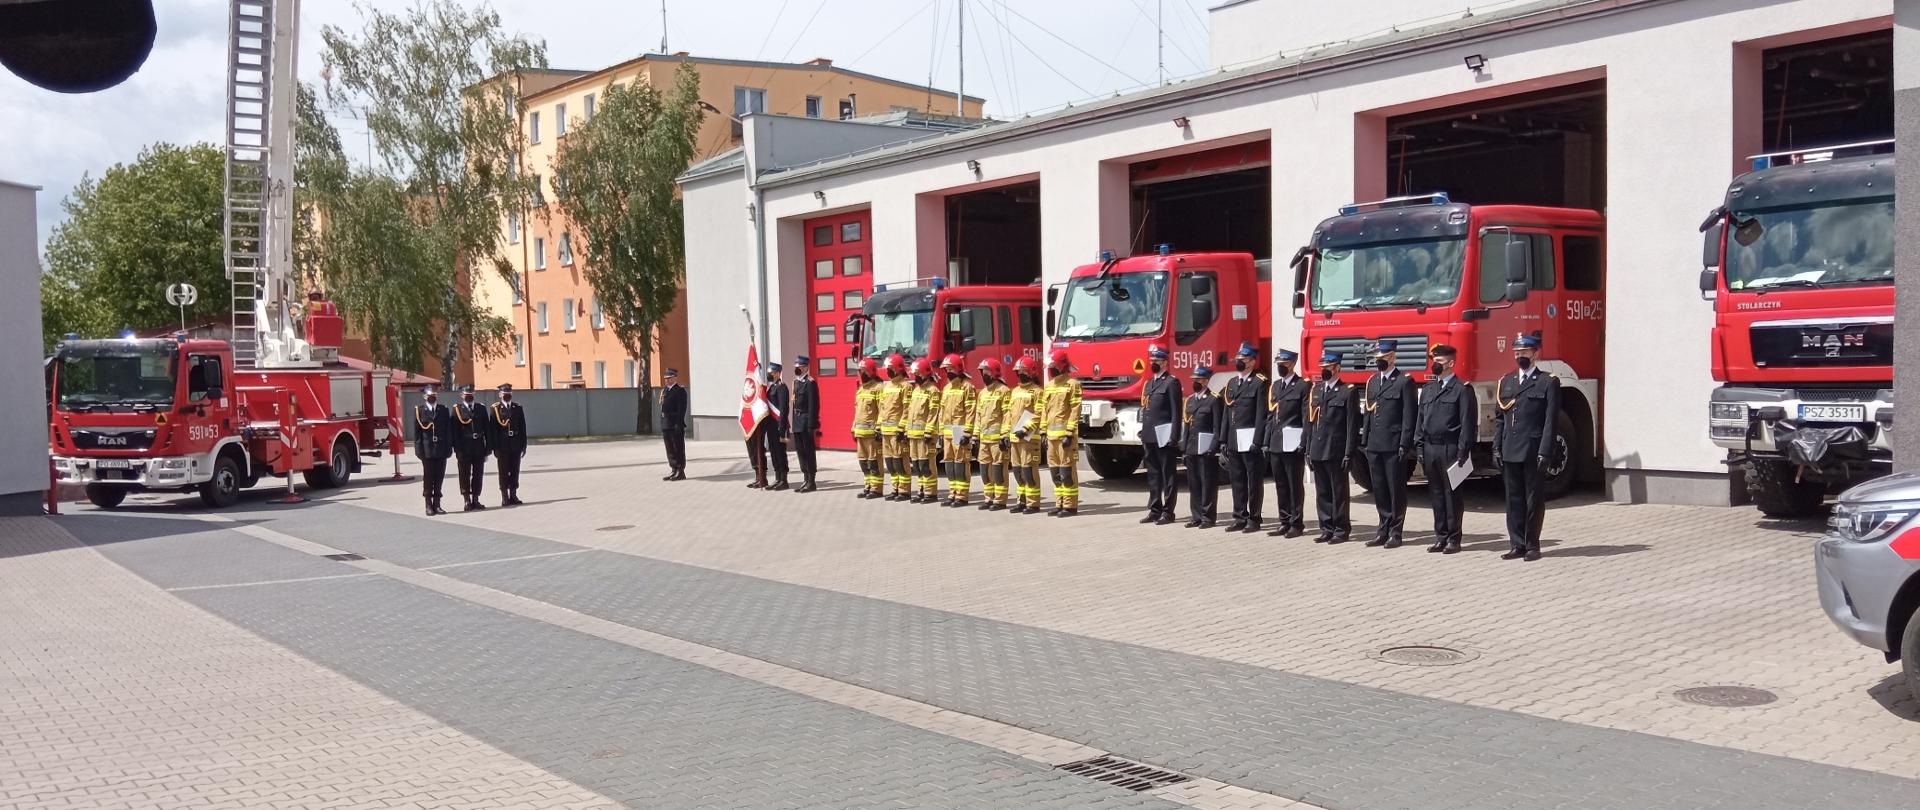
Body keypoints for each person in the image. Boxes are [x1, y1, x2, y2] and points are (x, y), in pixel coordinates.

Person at [1494, 331, 1559, 562]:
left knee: (1533, 499)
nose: (1520, 356)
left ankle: (1532, 545)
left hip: (1533, 450)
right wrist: (1496, 447)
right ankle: (1517, 544)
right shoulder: (1507, 381)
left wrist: (1545, 450)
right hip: (1510, 448)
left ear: (1535, 354)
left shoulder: (1547, 381)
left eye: (1524, 352)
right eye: (1517, 352)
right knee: (1514, 500)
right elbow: (1501, 418)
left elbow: (1551, 420)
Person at [1418, 344, 1477, 554]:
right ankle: (1440, 536)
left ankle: (1454, 538)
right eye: (1434, 361)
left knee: (1452, 495)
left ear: (1451, 363)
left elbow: (1467, 424)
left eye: (1440, 362)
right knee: (1435, 494)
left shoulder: (1462, 389)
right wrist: (1419, 446)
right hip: (1431, 447)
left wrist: (1463, 450)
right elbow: (1421, 419)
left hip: (1450, 448)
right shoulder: (1428, 389)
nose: (1435, 365)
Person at [1360, 339, 1417, 548]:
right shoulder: (1373, 382)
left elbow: (1409, 416)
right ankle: (1382, 528)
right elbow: (1368, 412)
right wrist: (1365, 440)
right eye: (1377, 359)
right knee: (1380, 488)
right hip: (1375, 443)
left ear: (1393, 357)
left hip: (1393, 444)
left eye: (1383, 358)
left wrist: (1405, 443)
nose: (1379, 362)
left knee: (1395, 489)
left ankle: (1395, 531)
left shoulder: (1404, 381)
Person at [1304, 350, 1357, 543]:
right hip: (1318, 448)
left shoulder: (1347, 391)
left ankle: (1341, 530)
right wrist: (1308, 449)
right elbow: (1310, 422)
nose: (1324, 371)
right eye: (1322, 368)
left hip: (1336, 449)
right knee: (1323, 492)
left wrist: (1348, 453)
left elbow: (1351, 425)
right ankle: (1326, 527)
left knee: (1339, 492)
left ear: (1337, 368)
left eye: (1328, 368)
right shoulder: (1316, 390)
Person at [1222, 342, 1268, 533]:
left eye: (1243, 360)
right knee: (1237, 479)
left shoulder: (1259, 382)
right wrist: (1223, 439)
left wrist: (1258, 440)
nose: (1239, 363)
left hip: (1250, 438)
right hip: (1234, 438)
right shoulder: (1232, 383)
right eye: (1238, 360)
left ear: (1251, 362)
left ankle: (1254, 518)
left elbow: (1260, 414)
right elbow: (1227, 411)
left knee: (1253, 480)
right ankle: (1239, 516)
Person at [1264, 349, 1308, 538]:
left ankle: (1296, 523)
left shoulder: (1302, 386)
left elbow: (1306, 417)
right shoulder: (1275, 386)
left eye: (1284, 363)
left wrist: (1304, 441)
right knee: (1280, 484)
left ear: (1292, 364)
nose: (1280, 367)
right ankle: (1284, 520)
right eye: (1278, 363)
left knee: (1294, 484)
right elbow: (1270, 416)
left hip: (1292, 442)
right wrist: (1266, 441)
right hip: (1276, 442)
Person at [1138, 343, 1182, 525]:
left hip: (1165, 436)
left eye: (1157, 360)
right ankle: (1154, 509)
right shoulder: (1149, 383)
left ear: (1165, 362)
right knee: (1153, 474)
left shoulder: (1171, 382)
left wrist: (1174, 436)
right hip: (1149, 435)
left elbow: (1176, 412)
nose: (1153, 363)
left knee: (1168, 474)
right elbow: (1146, 408)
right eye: (1152, 360)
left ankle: (1168, 511)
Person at [1041, 348, 1083, 517]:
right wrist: (1043, 432)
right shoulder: (1049, 386)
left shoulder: (1073, 385)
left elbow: (1075, 410)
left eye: (1053, 365)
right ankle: (1059, 503)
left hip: (1065, 438)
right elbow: (1045, 411)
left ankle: (1070, 506)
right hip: (1051, 437)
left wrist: (1069, 433)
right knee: (1055, 473)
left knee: (1067, 473)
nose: (1051, 368)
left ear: (1061, 366)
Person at [1004, 355, 1045, 514]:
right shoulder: (1014, 392)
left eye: (1024, 371)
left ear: (1032, 372)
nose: (1020, 373)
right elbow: (1009, 414)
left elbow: (1038, 413)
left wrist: (1026, 429)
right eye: (1019, 371)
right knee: (1018, 471)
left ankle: (1033, 503)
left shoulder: (1038, 392)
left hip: (1029, 438)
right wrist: (1006, 434)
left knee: (1029, 471)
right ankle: (1021, 501)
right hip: (1015, 438)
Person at [1182, 366, 1223, 528]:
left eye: (1198, 380)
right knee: (1194, 483)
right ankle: (1196, 516)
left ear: (1206, 381)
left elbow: (1216, 427)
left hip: (1206, 449)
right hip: (1192, 447)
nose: (1195, 383)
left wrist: (1213, 448)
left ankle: (1207, 517)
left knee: (1208, 483)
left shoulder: (1214, 399)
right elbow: (1187, 426)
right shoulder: (1190, 400)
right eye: (1194, 380)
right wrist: (1184, 449)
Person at [936, 354, 978, 507]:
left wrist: (967, 433)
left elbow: (971, 411)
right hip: (947, 432)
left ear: (959, 368)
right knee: (949, 464)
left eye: (950, 368)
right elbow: (941, 412)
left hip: (959, 430)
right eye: (946, 369)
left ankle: (962, 496)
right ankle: (952, 493)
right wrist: (940, 432)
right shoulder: (946, 388)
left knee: (961, 463)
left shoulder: (967, 387)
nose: (948, 372)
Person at [971, 358, 1011, 510]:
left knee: (998, 470)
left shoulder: (1004, 391)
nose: (984, 374)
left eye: (987, 371)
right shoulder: (982, 394)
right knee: (984, 471)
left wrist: (1005, 435)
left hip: (997, 441)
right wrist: (975, 437)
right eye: (983, 371)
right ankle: (989, 498)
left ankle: (1000, 500)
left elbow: (1007, 415)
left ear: (994, 372)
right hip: (984, 441)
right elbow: (978, 416)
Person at [412, 386, 454, 516]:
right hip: (427, 450)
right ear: (424, 397)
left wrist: (449, 448)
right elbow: (417, 433)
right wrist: (419, 451)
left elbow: (448, 431)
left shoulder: (443, 410)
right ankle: (428, 505)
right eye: (430, 395)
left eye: (435, 395)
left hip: (441, 449)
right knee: (429, 477)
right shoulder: (419, 411)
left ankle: (437, 504)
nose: (432, 397)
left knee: (439, 477)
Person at [905, 358, 942, 503]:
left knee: (927, 464)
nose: (916, 377)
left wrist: (929, 431)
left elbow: (933, 413)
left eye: (918, 374)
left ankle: (930, 493)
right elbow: (910, 412)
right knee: (918, 465)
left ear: (925, 373)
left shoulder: (933, 391)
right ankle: (921, 490)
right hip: (914, 435)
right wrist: (908, 431)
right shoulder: (916, 390)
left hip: (925, 436)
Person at [876, 354, 912, 500]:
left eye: (891, 368)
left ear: (898, 368)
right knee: (890, 462)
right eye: (887, 368)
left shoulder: (906, 386)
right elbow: (882, 408)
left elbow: (907, 409)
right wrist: (878, 427)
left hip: (897, 432)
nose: (888, 371)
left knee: (900, 461)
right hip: (886, 432)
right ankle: (895, 488)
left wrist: (902, 428)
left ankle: (904, 490)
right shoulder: (887, 386)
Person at [451, 384, 491, 511]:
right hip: (464, 446)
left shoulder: (480, 409)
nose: (469, 397)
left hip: (479, 446)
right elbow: (454, 431)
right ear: (461, 395)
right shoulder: (457, 409)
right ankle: (467, 500)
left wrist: (488, 447)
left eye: (471, 395)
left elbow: (487, 429)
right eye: (466, 395)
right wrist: (457, 448)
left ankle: (476, 499)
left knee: (478, 474)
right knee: (464, 474)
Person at [489, 383, 528, 506]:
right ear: (500, 395)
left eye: (509, 394)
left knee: (515, 470)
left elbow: (523, 427)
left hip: (515, 443)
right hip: (502, 445)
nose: (507, 396)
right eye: (505, 394)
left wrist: (524, 445)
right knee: (503, 470)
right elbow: (493, 430)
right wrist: (495, 447)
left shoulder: (517, 407)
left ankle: (513, 494)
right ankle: (505, 496)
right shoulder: (495, 409)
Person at [852, 358, 884, 498]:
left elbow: (882, 410)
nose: (861, 373)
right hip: (860, 433)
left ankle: (876, 489)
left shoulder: (878, 388)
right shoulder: (861, 389)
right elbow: (857, 411)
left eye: (864, 371)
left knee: (874, 461)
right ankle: (868, 485)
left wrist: (879, 428)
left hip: (872, 434)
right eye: (860, 371)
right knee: (863, 462)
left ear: (871, 371)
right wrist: (853, 428)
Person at [789, 357, 820, 492]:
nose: (797, 368)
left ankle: (811, 481)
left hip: (806, 421)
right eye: (796, 366)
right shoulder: (795, 382)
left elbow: (814, 405)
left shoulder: (810, 383)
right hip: (797, 422)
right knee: (800, 452)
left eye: (800, 366)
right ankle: (805, 478)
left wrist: (811, 424)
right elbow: (794, 403)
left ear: (806, 367)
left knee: (808, 452)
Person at [763, 362, 791, 491]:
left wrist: (782, 426)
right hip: (771, 426)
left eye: (772, 372)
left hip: (779, 425)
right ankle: (777, 478)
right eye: (769, 372)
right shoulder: (771, 387)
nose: (770, 374)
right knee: (773, 452)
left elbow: (784, 409)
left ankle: (784, 480)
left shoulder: (782, 387)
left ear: (778, 373)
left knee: (780, 452)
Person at [660, 368, 688, 481]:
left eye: (669, 378)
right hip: (666, 423)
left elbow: (682, 409)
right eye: (665, 379)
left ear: (675, 377)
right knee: (669, 448)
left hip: (675, 423)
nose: (666, 381)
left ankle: (680, 471)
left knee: (678, 448)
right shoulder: (665, 390)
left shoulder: (679, 391)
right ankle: (674, 468)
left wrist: (678, 423)